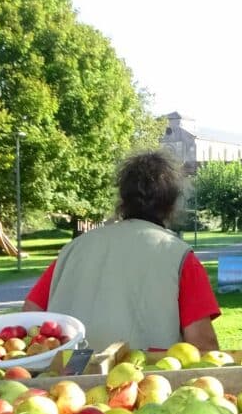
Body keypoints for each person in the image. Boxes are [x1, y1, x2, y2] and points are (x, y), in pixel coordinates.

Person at [23, 150, 221, 352]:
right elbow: (203, 343)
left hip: (68, 376)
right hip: (144, 378)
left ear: (122, 199)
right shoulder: (177, 254)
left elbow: (32, 311)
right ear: (171, 204)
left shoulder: (75, 248)